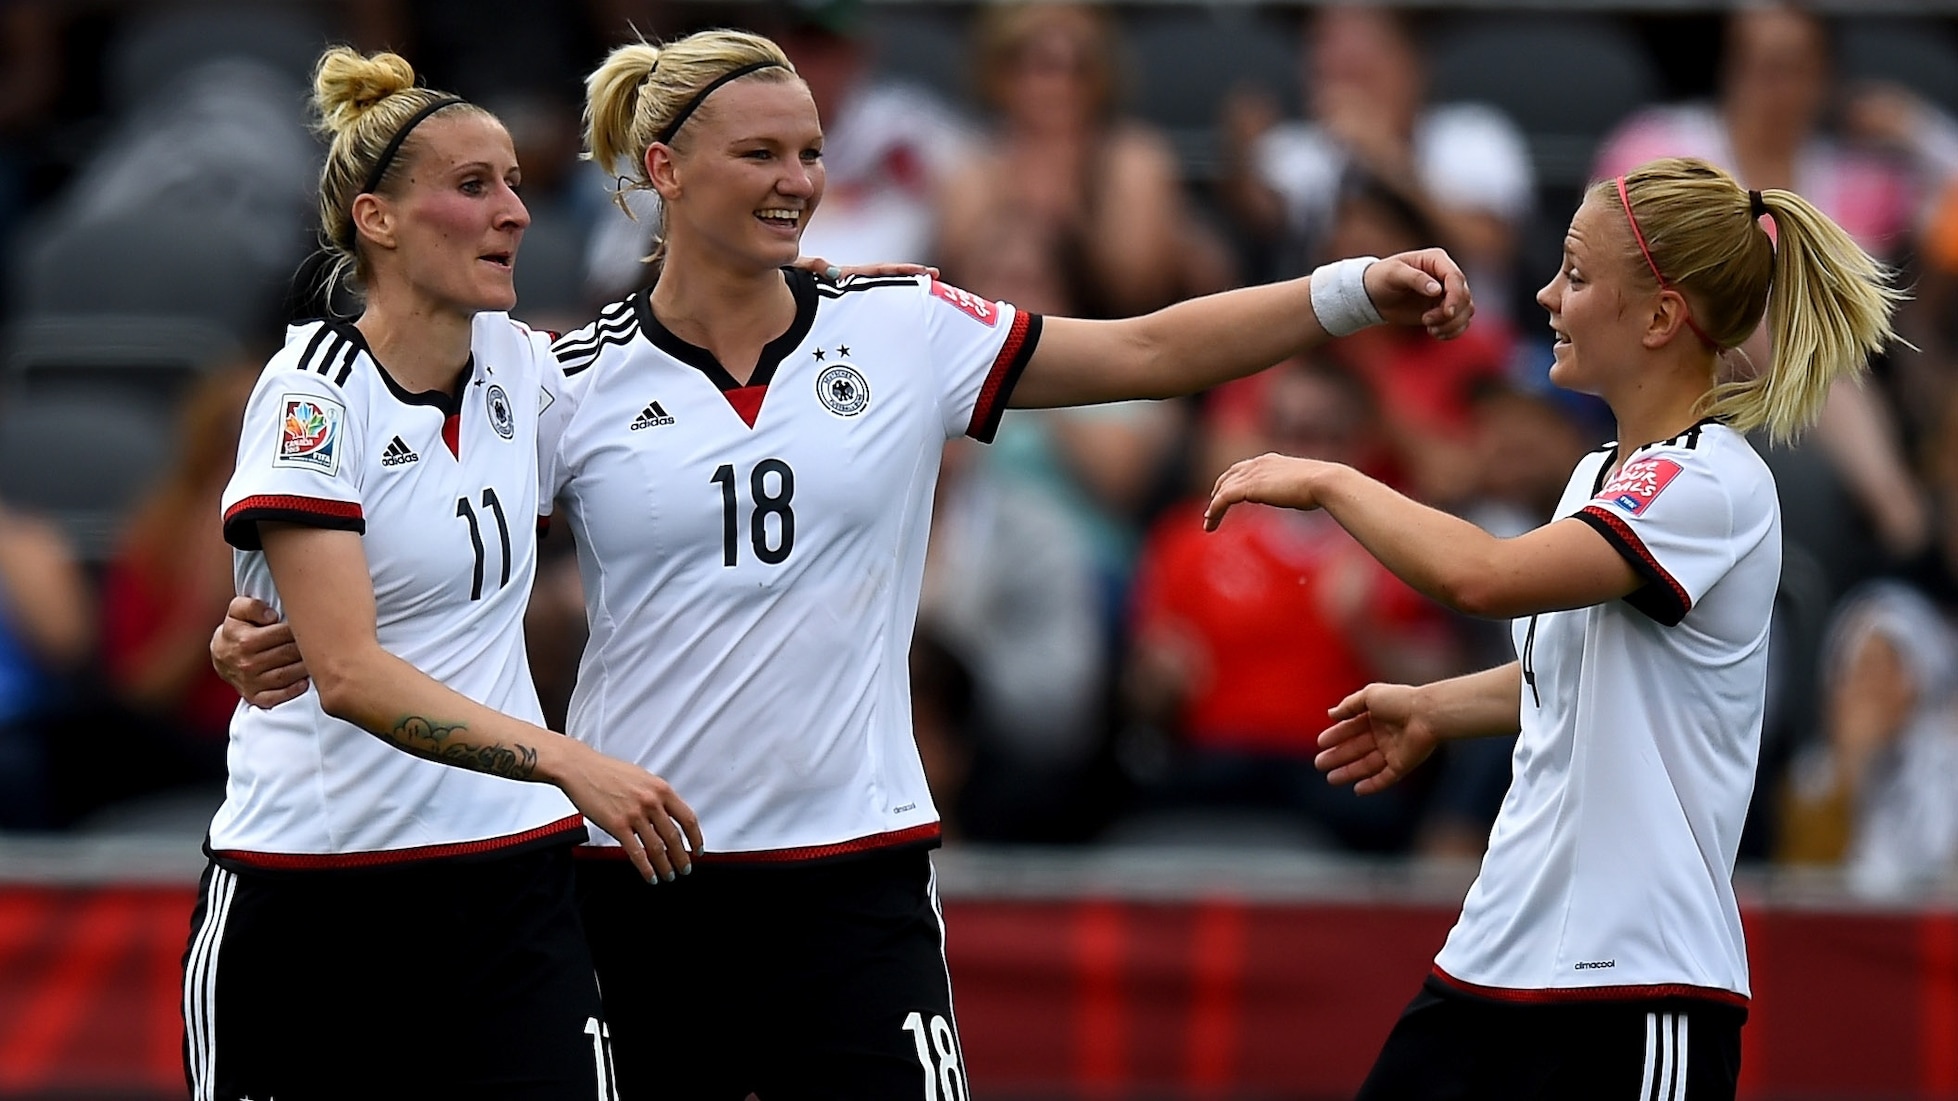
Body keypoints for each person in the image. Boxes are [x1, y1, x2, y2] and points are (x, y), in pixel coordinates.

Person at [217, 27, 1473, 1099]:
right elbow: (433, 532)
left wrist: (1347, 289)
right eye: (759, 153)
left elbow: (1142, 350)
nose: (797, 180)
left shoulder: (903, 323)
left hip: (853, 872)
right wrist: (260, 620)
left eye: (811, 152)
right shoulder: (563, 382)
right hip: (641, 878)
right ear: (663, 171)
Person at [1204, 156, 1900, 1098]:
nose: (1545, 293)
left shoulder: (1713, 482)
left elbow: (1480, 578)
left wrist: (1332, 478)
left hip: (1637, 990)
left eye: (1574, 273)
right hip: (1494, 961)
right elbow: (1566, 675)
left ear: (1659, 318)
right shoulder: (1597, 475)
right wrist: (1436, 707)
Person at [182, 47, 703, 1101]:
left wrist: (821, 304)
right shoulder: (310, 395)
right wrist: (566, 759)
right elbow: (351, 674)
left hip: (509, 883)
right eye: (473, 187)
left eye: (514, 182)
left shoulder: (520, 363)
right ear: (376, 220)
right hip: (320, 892)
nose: (514, 210)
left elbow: (696, 362)